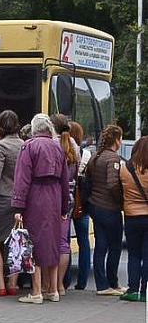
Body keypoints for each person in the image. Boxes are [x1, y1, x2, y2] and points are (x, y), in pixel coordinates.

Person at [12, 114, 70, 305]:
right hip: (54, 197)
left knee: (33, 243)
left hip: (35, 197)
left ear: (34, 128)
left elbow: (22, 178)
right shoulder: (58, 147)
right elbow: (64, 180)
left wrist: (18, 205)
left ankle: (36, 291)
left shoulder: (29, 146)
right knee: (52, 242)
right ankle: (53, 290)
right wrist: (64, 207)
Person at [0, 110, 24, 297]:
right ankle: (13, 283)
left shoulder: (1, 146)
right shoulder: (25, 145)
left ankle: (0, 284)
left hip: (1, 196)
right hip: (21, 199)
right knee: (15, 241)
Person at [88, 124, 125, 297]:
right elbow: (112, 184)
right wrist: (120, 201)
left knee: (100, 246)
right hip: (110, 208)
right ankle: (113, 283)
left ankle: (101, 285)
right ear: (116, 140)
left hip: (95, 206)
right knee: (115, 246)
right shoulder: (113, 159)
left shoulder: (96, 156)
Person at [51, 113, 79, 295]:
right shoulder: (73, 146)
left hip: (52, 197)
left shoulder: (52, 144)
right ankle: (60, 284)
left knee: (47, 241)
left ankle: (49, 284)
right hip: (68, 198)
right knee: (63, 243)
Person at [120, 137, 148, 302]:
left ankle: (132, 289)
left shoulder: (125, 169)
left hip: (132, 217)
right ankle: (145, 291)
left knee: (134, 254)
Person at [68, 121, 92, 290]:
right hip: (81, 201)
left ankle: (64, 279)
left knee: (65, 240)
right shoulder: (86, 155)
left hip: (65, 199)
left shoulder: (64, 151)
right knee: (84, 241)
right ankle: (82, 281)